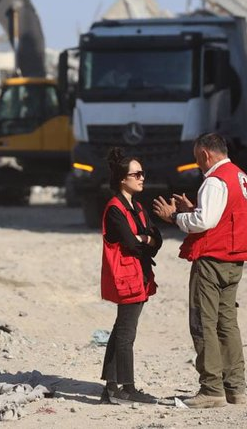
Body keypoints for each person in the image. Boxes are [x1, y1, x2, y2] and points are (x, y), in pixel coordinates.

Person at [152, 133, 247, 409]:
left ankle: (211, 389)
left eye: (198, 158)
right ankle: (236, 387)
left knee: (204, 322)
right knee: (227, 322)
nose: (197, 164)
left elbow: (205, 220)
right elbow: (222, 214)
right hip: (234, 259)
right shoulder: (241, 177)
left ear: (206, 154)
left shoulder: (214, 180)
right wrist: (194, 209)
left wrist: (175, 216)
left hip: (212, 259)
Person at [99, 147, 161, 405]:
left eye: (142, 173)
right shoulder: (115, 209)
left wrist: (145, 238)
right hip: (127, 278)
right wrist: (144, 239)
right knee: (126, 333)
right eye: (137, 174)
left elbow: (156, 240)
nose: (142, 178)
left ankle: (112, 387)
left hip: (140, 276)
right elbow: (132, 244)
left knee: (120, 330)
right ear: (123, 179)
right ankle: (127, 388)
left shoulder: (137, 207)